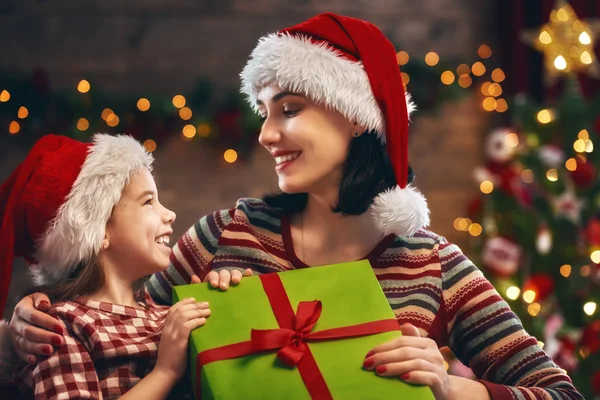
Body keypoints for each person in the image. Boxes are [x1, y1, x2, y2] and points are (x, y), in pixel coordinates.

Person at [6, 13, 583, 400]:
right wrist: (25, 330)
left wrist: (458, 387)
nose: (267, 135)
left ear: (356, 114)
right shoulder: (224, 235)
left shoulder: (434, 265)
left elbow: (559, 392)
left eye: (289, 108)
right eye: (263, 112)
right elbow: (112, 337)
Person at [0, 134, 211, 399]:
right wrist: (165, 372)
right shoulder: (62, 327)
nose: (170, 214)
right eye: (148, 202)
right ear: (98, 232)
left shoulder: (165, 314)